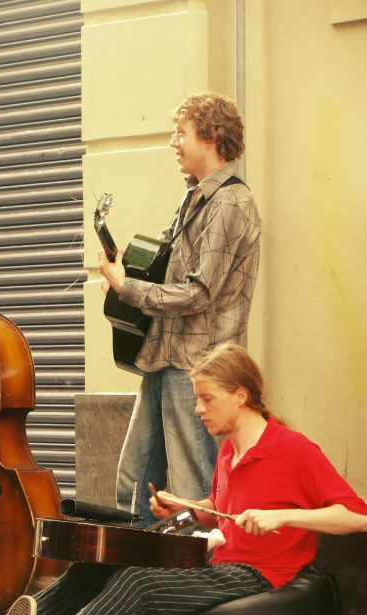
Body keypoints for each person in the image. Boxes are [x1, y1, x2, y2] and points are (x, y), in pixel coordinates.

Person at [0, 343, 367, 615]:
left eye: (206, 398)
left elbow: (356, 516)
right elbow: (225, 513)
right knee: (98, 566)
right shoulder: (229, 450)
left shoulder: (294, 449)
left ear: (240, 395)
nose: (198, 408)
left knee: (142, 582)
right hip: (220, 560)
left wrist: (284, 518)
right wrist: (193, 510)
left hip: (260, 572)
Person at [98, 92, 261, 527]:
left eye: (181, 133)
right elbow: (168, 273)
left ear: (209, 137)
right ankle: (136, 575)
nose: (173, 142)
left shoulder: (230, 202)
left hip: (197, 366)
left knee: (192, 488)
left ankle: (194, 584)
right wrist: (125, 273)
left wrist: (127, 288)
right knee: (135, 479)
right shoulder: (196, 197)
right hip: (165, 356)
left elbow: (199, 294)